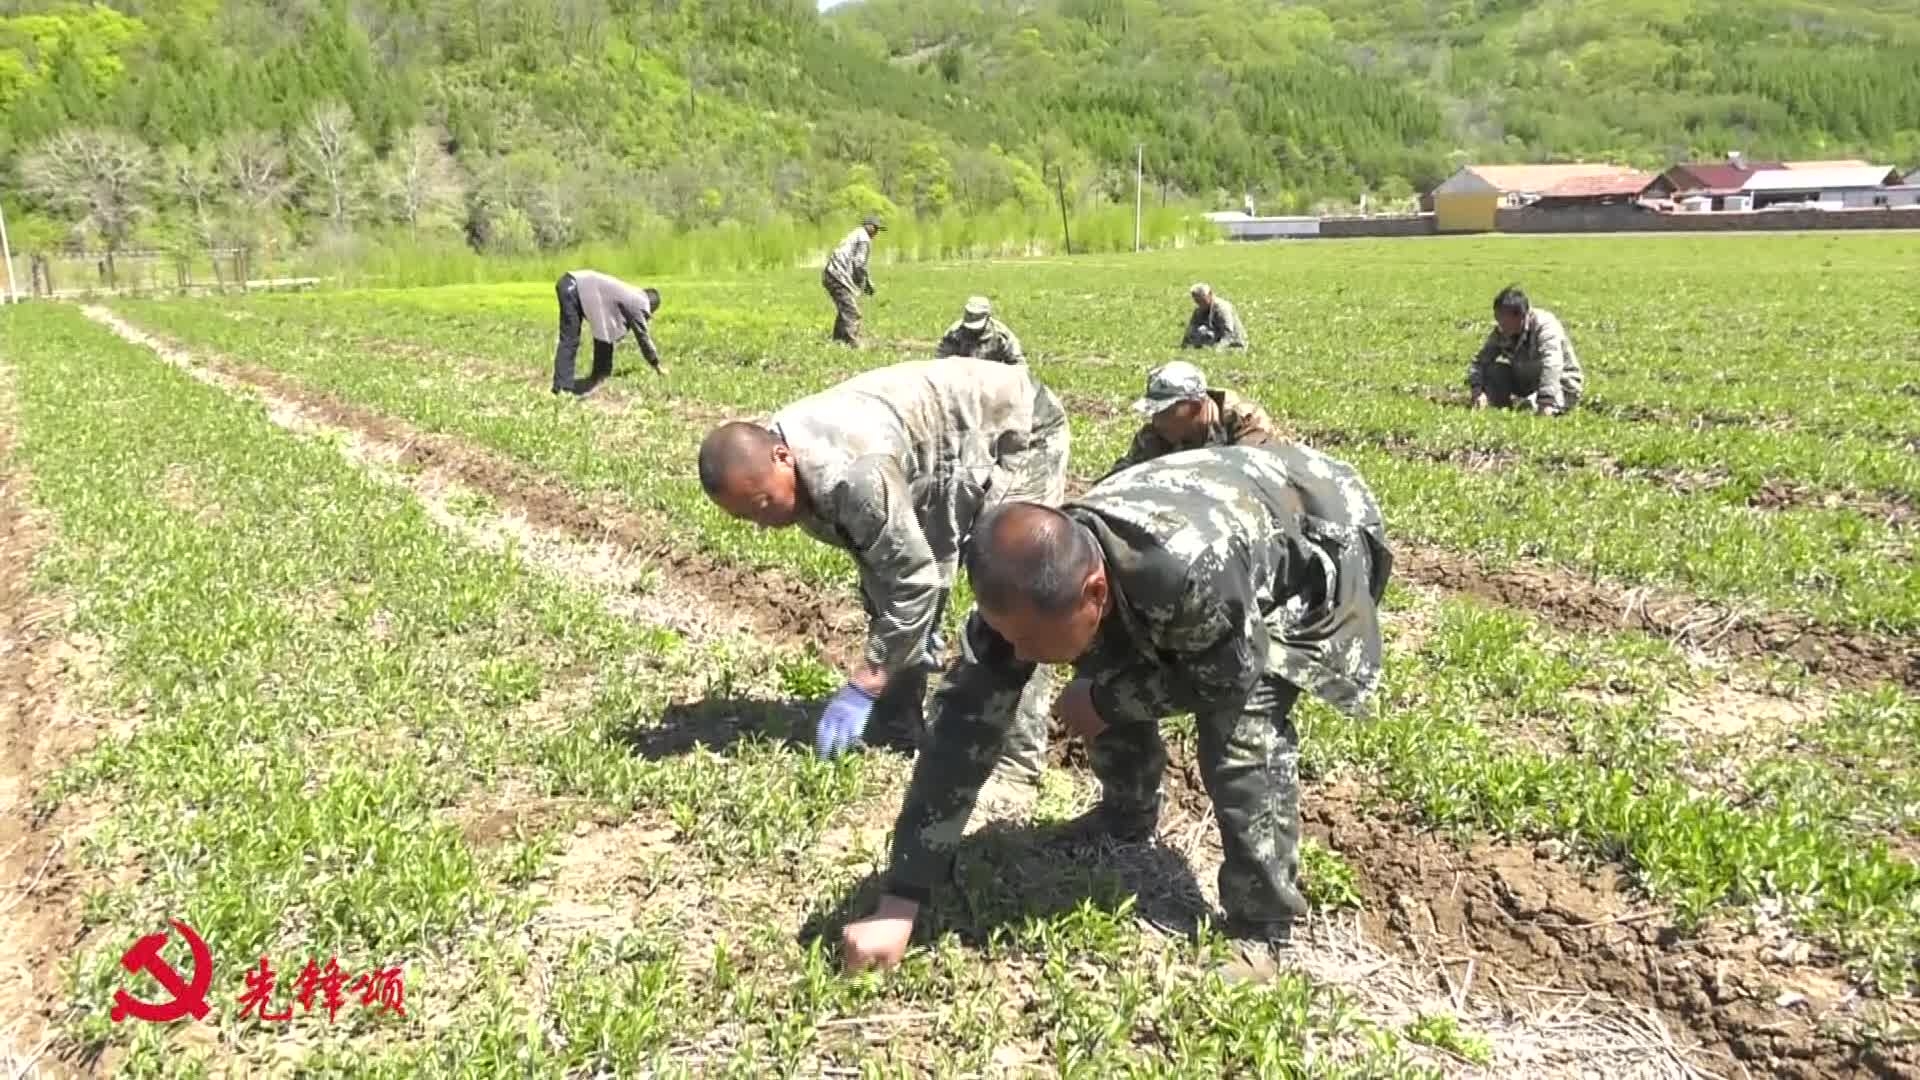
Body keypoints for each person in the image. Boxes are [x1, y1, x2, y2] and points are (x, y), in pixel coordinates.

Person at [838, 444, 1393, 975]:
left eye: (1033, 641)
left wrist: (1108, 701)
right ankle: (1127, 816)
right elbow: (961, 733)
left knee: (1243, 728)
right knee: (1100, 660)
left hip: (1321, 520)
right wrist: (902, 896)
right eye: (1013, 639)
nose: (1022, 656)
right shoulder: (1025, 596)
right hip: (1217, 511)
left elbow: (1228, 677)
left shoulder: (1190, 573)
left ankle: (1262, 925)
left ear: (1096, 592)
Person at [695, 358, 1069, 796]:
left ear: (781, 457)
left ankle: (1014, 767)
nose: (761, 523)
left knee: (1013, 591)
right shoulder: (784, 463)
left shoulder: (852, 475)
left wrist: (869, 677)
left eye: (760, 506)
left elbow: (915, 580)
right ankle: (898, 721)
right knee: (900, 582)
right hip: (933, 449)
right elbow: (888, 568)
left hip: (1014, 426)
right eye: (746, 518)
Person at [1105, 360, 1281, 477]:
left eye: (1165, 412)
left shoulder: (1244, 420)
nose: (1156, 420)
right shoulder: (1157, 433)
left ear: (1195, 407)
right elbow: (1121, 476)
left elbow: (1252, 480)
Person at [1467, 286, 1584, 415]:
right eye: (1497, 317)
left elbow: (1552, 364)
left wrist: (1546, 401)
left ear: (1520, 316)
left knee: (1527, 409)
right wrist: (1477, 389)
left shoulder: (1545, 326)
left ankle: (1544, 405)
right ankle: (1501, 407)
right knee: (1493, 371)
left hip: (1560, 383)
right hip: (1526, 381)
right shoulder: (1502, 331)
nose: (1499, 323)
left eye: (1503, 319)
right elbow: (1479, 361)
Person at [550, 270, 665, 396]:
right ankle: (565, 388)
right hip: (576, 287)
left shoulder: (632, 294)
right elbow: (643, 338)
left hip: (568, 282)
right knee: (572, 340)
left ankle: (565, 385)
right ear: (652, 307)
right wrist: (657, 365)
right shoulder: (640, 303)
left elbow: (609, 326)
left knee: (572, 339)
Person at [823, 216, 884, 347]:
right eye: (875, 229)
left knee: (845, 310)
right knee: (852, 312)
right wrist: (866, 283)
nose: (876, 233)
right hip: (837, 276)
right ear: (869, 226)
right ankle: (853, 343)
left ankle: (838, 341)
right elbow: (859, 264)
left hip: (831, 274)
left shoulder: (855, 234)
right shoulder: (863, 238)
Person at [934, 296, 1025, 365]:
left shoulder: (1002, 335)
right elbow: (941, 362)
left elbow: (1018, 365)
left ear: (988, 317)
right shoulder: (953, 333)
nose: (973, 331)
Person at [1181, 282, 1248, 351]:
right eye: (1197, 300)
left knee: (1206, 333)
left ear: (1210, 294)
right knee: (1199, 331)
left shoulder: (1222, 308)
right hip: (1215, 341)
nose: (1200, 303)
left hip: (1234, 345)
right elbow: (1191, 329)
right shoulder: (1199, 309)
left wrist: (1218, 350)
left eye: (1202, 300)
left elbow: (1228, 334)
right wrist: (1183, 346)